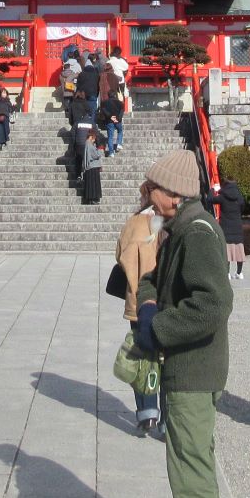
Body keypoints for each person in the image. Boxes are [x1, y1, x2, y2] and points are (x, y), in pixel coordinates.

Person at [133, 150, 233, 498]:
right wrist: (151, 298)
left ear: (171, 192)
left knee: (190, 474)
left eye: (152, 189)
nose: (148, 197)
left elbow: (213, 303)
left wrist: (160, 329)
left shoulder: (196, 231)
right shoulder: (180, 227)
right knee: (194, 467)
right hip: (187, 365)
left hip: (193, 368)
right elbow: (160, 276)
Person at [114, 184, 165, 432]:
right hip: (167, 301)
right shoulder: (170, 222)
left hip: (138, 299)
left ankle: (147, 413)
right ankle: (168, 420)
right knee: (168, 359)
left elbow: (119, 255)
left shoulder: (133, 223)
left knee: (142, 355)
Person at [215, 178, 245, 281]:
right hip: (237, 227)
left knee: (227, 251)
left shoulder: (222, 197)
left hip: (226, 227)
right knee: (239, 251)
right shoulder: (239, 197)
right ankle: (239, 273)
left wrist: (213, 190)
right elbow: (243, 206)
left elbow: (209, 199)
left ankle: (227, 273)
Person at [98, 89, 125, 154]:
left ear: (108, 95)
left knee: (110, 136)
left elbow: (103, 110)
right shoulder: (120, 103)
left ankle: (111, 152)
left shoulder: (104, 103)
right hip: (118, 121)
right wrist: (117, 119)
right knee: (120, 131)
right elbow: (121, 112)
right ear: (115, 95)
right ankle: (119, 144)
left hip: (109, 121)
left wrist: (110, 117)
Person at [81, 133, 104, 205]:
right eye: (94, 138)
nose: (94, 140)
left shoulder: (88, 144)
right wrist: (100, 150)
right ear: (90, 137)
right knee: (93, 184)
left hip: (90, 167)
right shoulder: (89, 144)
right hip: (92, 167)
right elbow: (95, 155)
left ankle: (90, 199)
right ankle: (93, 199)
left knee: (91, 184)